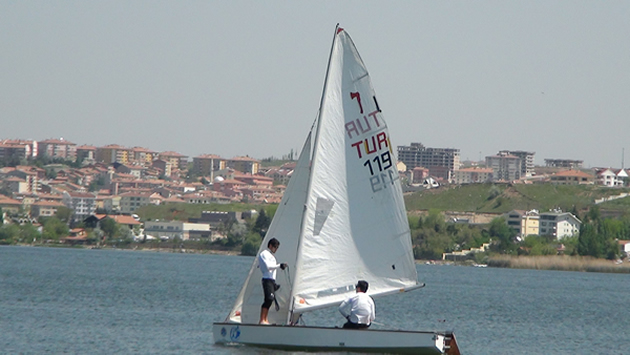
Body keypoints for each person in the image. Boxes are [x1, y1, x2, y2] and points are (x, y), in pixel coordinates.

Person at [257, 237, 287, 324]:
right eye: (275, 247)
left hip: (272, 281)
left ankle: (265, 319)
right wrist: (279, 265)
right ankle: (262, 320)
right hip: (267, 279)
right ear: (270, 246)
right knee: (268, 299)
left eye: (277, 247)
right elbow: (268, 267)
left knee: (270, 299)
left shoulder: (272, 256)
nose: (276, 249)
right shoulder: (264, 254)